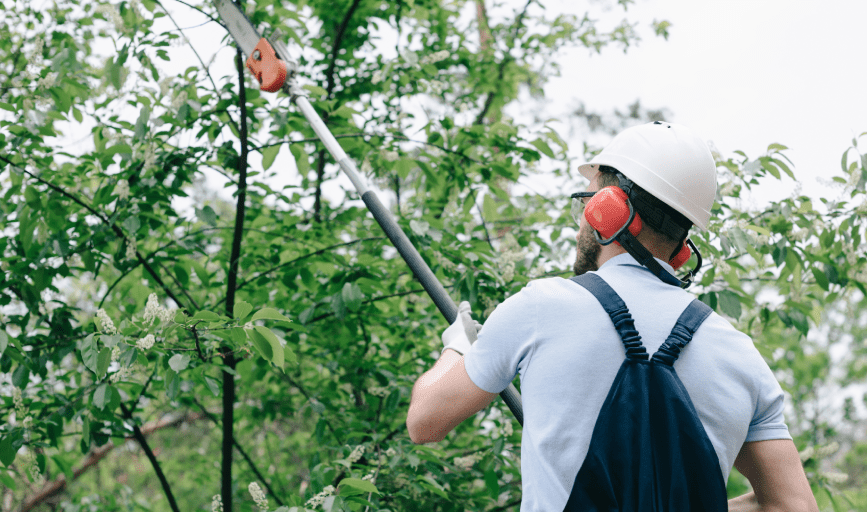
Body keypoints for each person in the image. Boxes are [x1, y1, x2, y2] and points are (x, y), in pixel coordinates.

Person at [406, 121, 819, 511]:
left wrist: (456, 347)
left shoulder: (540, 308)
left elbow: (424, 422)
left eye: (588, 201)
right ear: (682, 243)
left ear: (609, 208)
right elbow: (792, 505)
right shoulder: (740, 355)